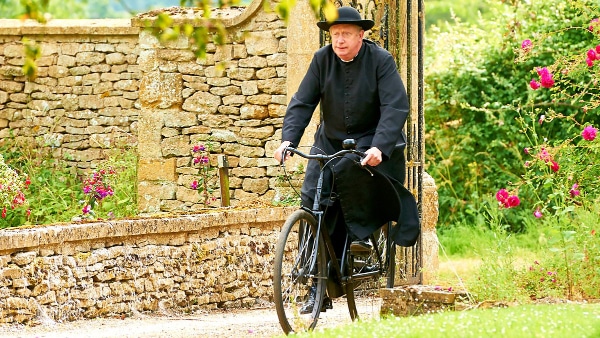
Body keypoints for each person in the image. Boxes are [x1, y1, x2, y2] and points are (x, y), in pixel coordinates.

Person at [273, 6, 420, 314]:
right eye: (335, 34)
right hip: (329, 140)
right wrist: (288, 139)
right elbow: (302, 102)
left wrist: (380, 146)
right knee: (312, 199)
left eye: (345, 35)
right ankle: (317, 284)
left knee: (349, 177)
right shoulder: (321, 60)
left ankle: (361, 237)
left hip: (370, 140)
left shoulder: (381, 61)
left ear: (360, 35)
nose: (339, 41)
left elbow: (395, 106)